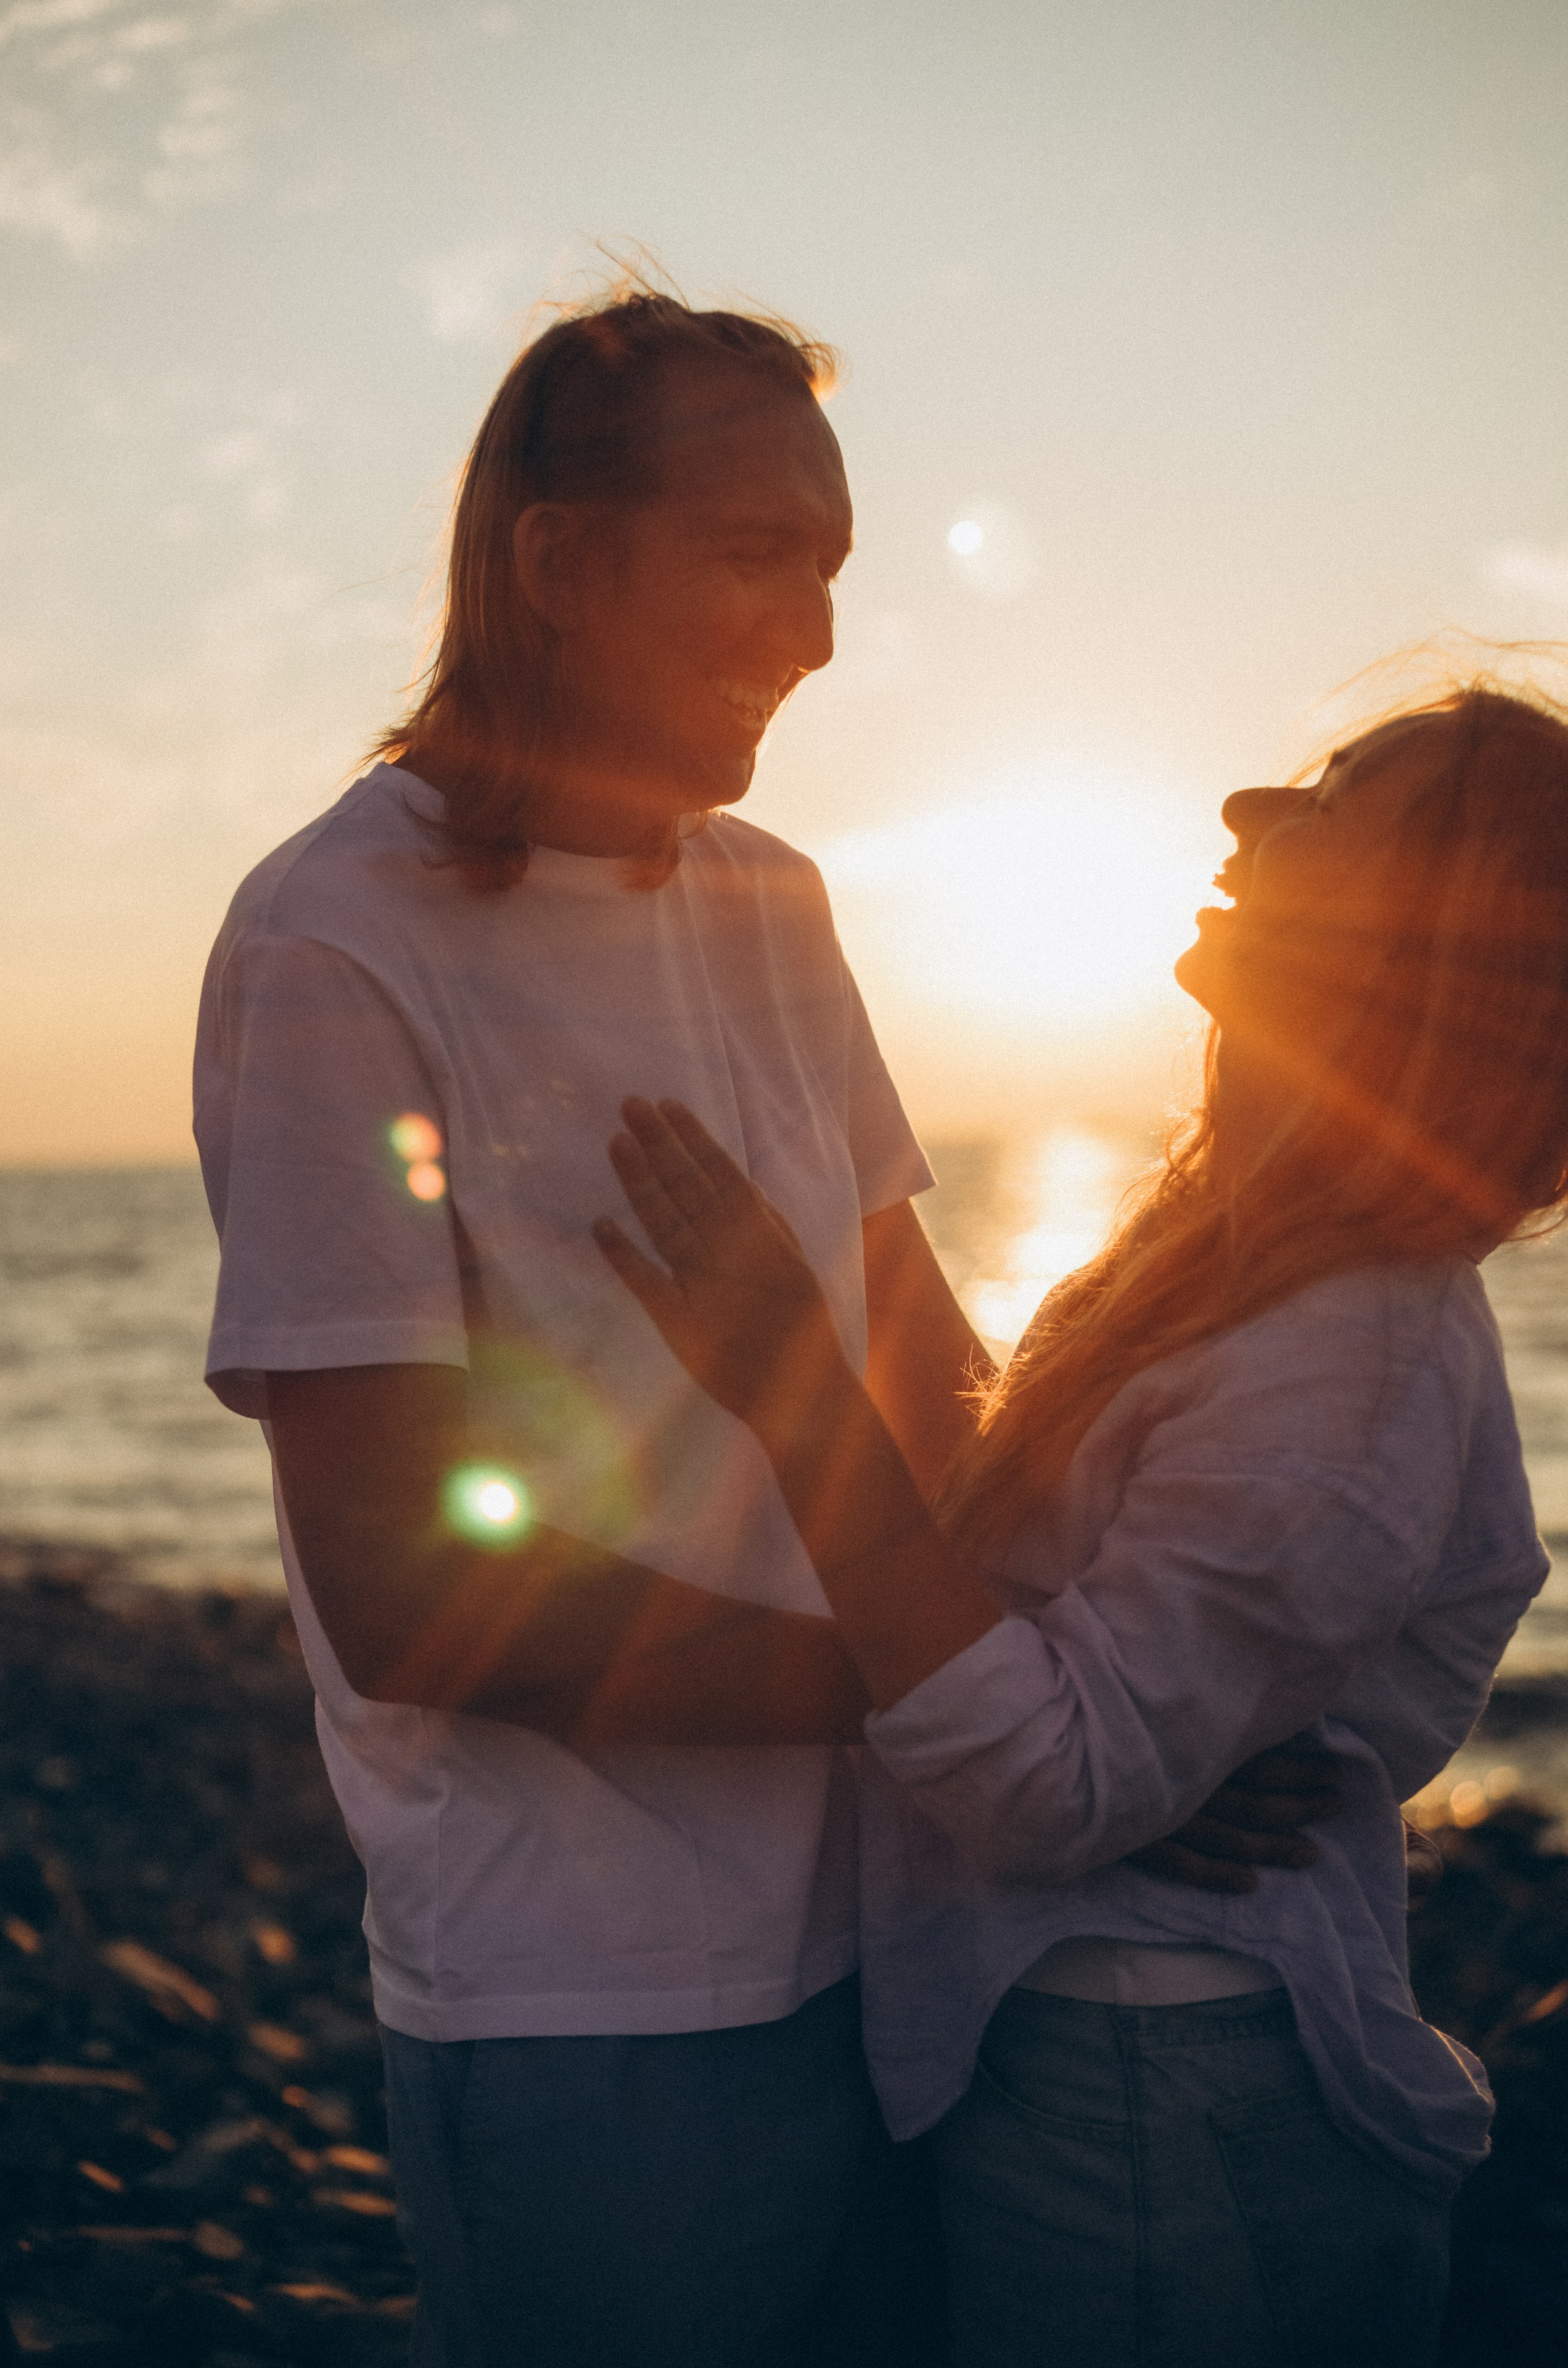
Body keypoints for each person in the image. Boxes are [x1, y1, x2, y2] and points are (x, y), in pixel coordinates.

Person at [194, 282, 1334, 2368]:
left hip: (922, 1940)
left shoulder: (776, 906)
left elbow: (928, 1379)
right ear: (553, 564)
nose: (813, 634)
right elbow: (404, 1592)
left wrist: (1123, 1704)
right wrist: (955, 1719)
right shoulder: (332, 944)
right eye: (757, 558)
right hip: (589, 2007)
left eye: (832, 571)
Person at [594, 682, 1567, 2367]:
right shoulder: (1246, 1272)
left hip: (1157, 2114)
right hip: (1102, 2070)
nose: (1255, 807)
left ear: (1432, 948)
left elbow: (1046, 1782)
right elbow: (1069, 1681)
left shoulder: (1351, 1352)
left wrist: (792, 1383)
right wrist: (1134, 1768)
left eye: (1337, 808)